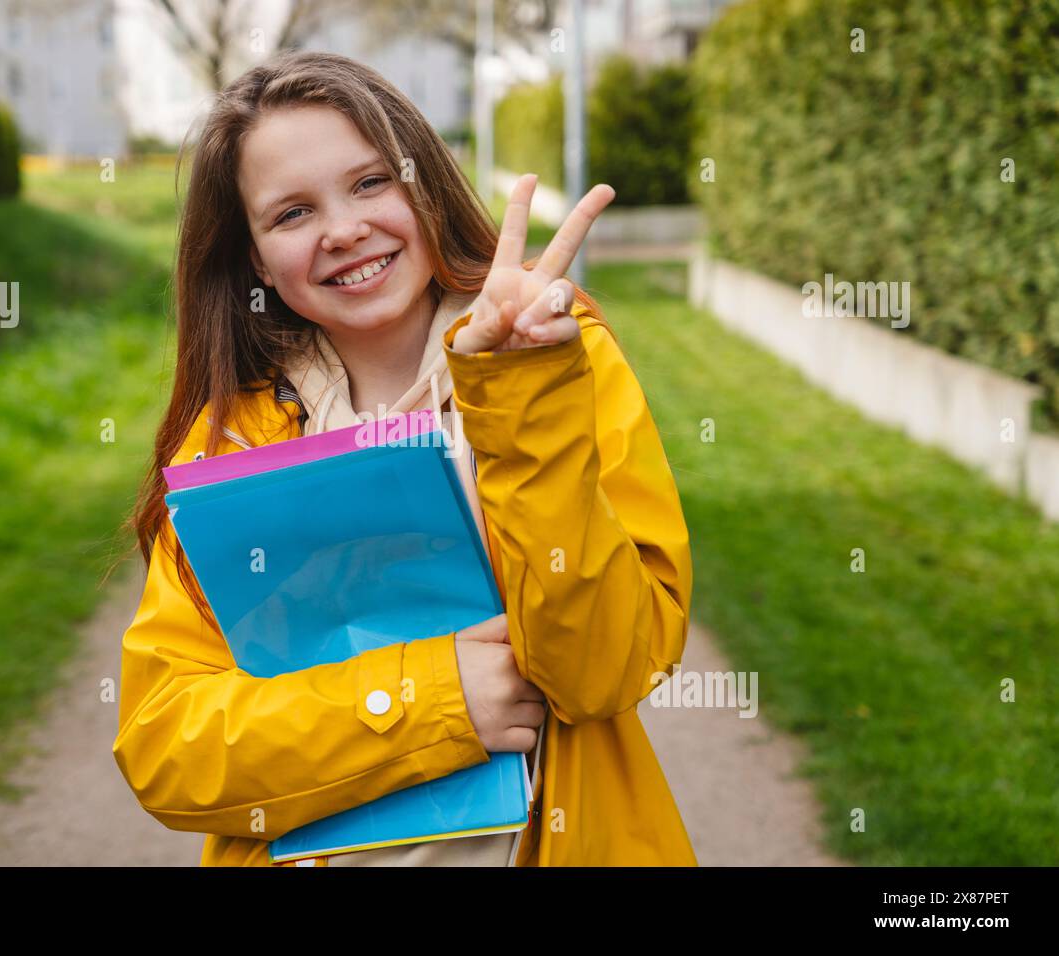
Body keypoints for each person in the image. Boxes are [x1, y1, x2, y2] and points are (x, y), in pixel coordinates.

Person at [112, 50, 697, 867]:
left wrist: (518, 392)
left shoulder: (562, 358)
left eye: (371, 183)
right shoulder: (231, 440)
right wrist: (438, 702)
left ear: (423, 184)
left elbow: (605, 668)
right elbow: (167, 748)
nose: (344, 230)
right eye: (290, 214)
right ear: (253, 259)